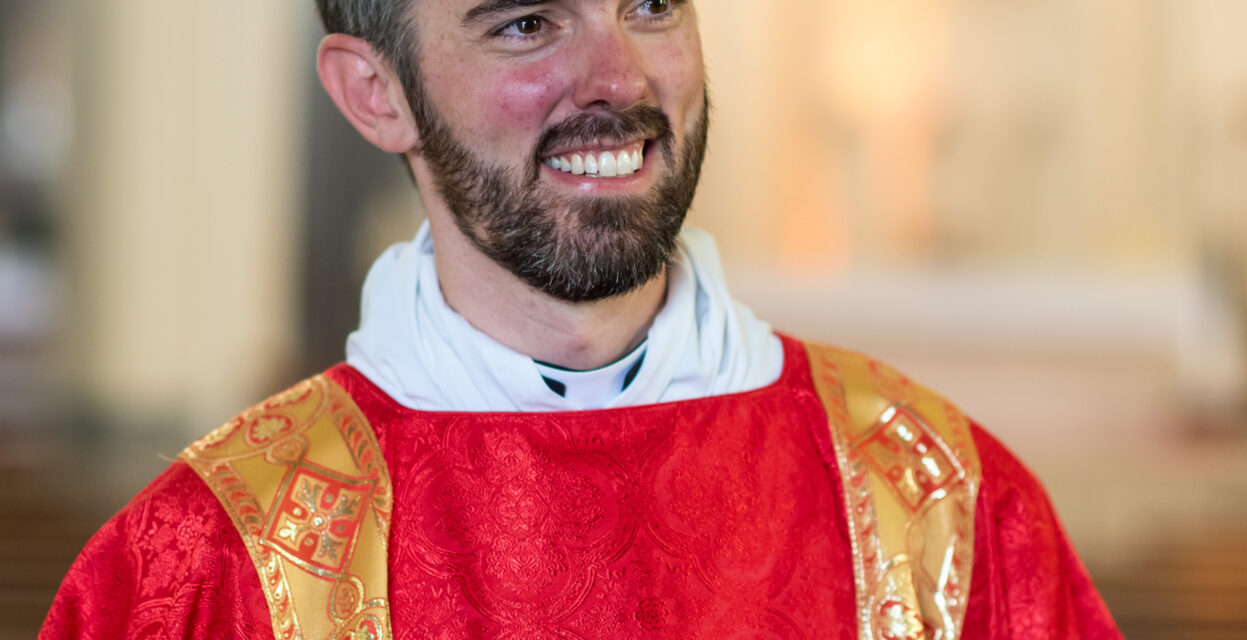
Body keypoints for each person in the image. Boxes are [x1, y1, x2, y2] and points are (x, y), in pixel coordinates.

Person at [42, 0, 1123, 638]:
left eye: (650, 0)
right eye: (525, 23)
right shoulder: (208, 564)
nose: (620, 74)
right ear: (377, 94)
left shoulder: (936, 502)